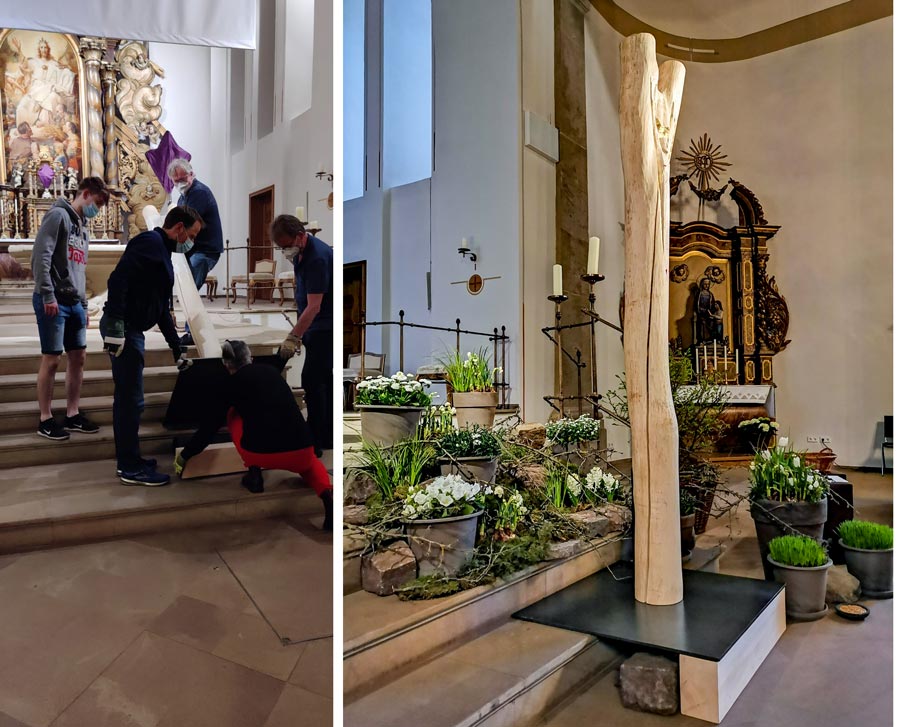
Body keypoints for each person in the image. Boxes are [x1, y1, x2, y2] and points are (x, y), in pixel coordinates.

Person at [175, 340, 333, 530]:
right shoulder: (272, 372)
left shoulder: (230, 384)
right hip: (303, 449)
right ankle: (327, 496)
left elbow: (210, 427)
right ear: (250, 358)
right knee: (309, 465)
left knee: (233, 414)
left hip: (260, 453)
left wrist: (185, 455)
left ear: (226, 364)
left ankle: (254, 474)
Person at [100, 206, 200, 486]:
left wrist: (176, 347)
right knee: (130, 400)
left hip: (133, 329)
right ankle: (129, 467)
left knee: (132, 399)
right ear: (179, 228)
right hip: (124, 329)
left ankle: (132, 459)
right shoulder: (149, 242)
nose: (191, 242)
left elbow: (159, 310)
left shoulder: (162, 251)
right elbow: (117, 280)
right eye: (191, 235)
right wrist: (116, 326)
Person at [31, 176, 110, 440]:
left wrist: (85, 305)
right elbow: (40, 256)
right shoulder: (58, 216)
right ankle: (45, 418)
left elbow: (79, 268)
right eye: (96, 203)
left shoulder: (82, 227)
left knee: (79, 358)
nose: (96, 210)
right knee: (52, 359)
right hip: (54, 300)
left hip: (75, 303)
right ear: (85, 193)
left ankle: (73, 413)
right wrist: (48, 295)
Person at [270, 214, 333, 457]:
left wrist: (293, 336)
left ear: (299, 235)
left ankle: (317, 435)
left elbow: (314, 306)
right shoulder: (302, 252)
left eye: (286, 246)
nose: (285, 251)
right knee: (322, 381)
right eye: (281, 248)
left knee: (313, 380)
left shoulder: (316, 257)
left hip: (324, 327)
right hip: (315, 326)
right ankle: (324, 434)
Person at [166, 159, 223, 289]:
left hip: (205, 250)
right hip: (193, 249)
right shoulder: (182, 197)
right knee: (186, 286)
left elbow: (186, 222)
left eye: (183, 178)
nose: (180, 183)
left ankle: (192, 310)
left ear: (191, 174)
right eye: (176, 181)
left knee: (190, 287)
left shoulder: (199, 192)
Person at [694, 277, 717, 344]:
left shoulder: (710, 294)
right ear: (702, 285)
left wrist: (710, 312)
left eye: (708, 284)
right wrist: (700, 310)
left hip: (708, 313)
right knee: (701, 323)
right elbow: (696, 304)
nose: (707, 286)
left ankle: (709, 340)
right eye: (705, 284)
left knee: (712, 322)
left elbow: (713, 304)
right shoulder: (699, 294)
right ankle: (701, 340)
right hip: (700, 313)